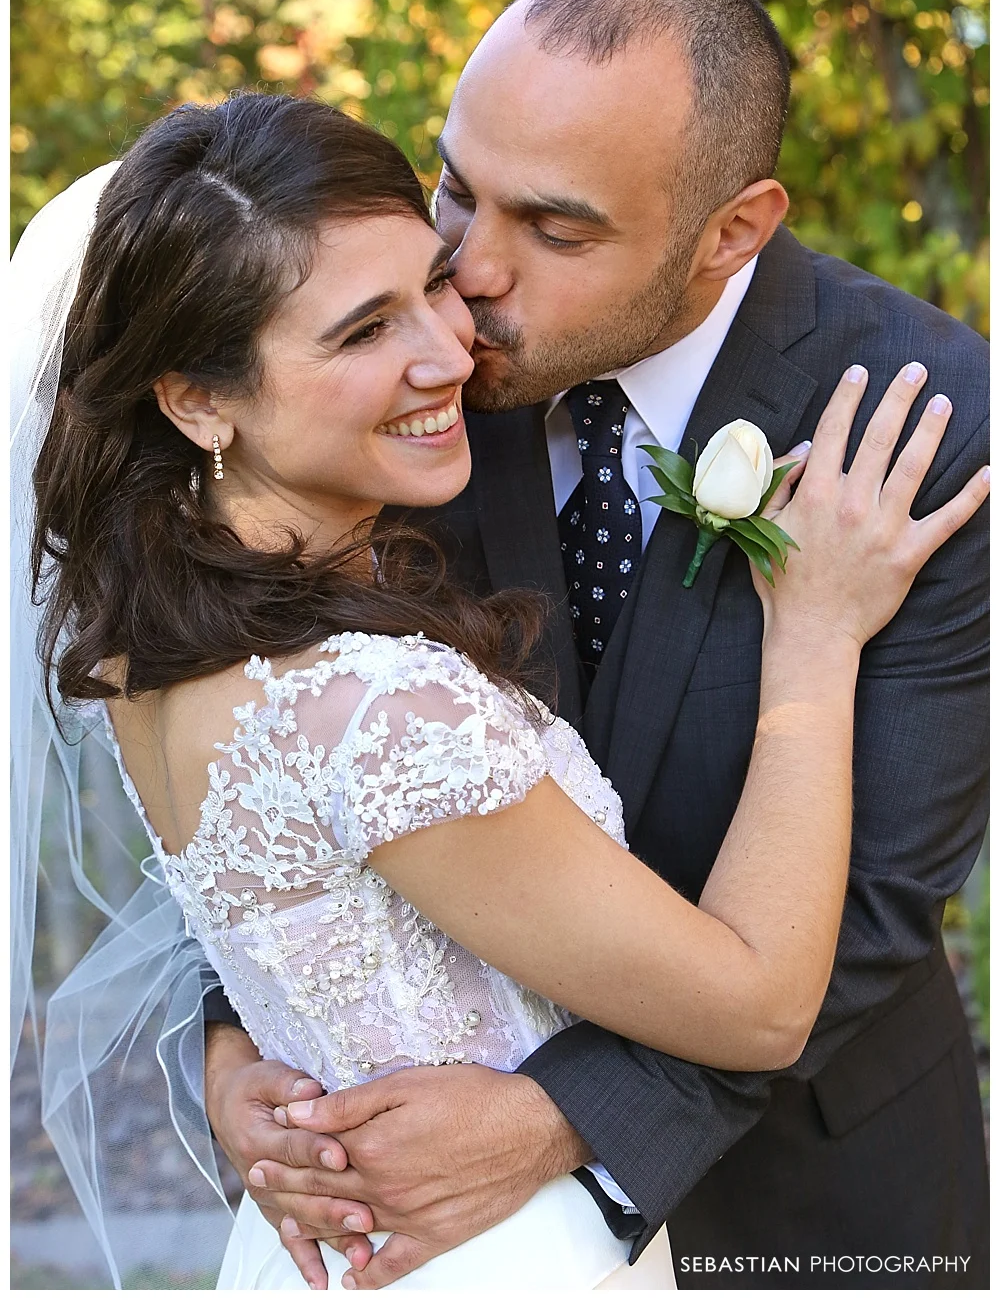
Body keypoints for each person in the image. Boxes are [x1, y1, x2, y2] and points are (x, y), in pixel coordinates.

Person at [14, 87, 986, 1292]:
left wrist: (550, 1111)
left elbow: (878, 899)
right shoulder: (373, 660)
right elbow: (748, 996)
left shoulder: (155, 633)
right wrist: (813, 635)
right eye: (367, 324)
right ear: (198, 398)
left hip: (813, 1191)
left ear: (731, 225)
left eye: (440, 275)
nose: (454, 333)